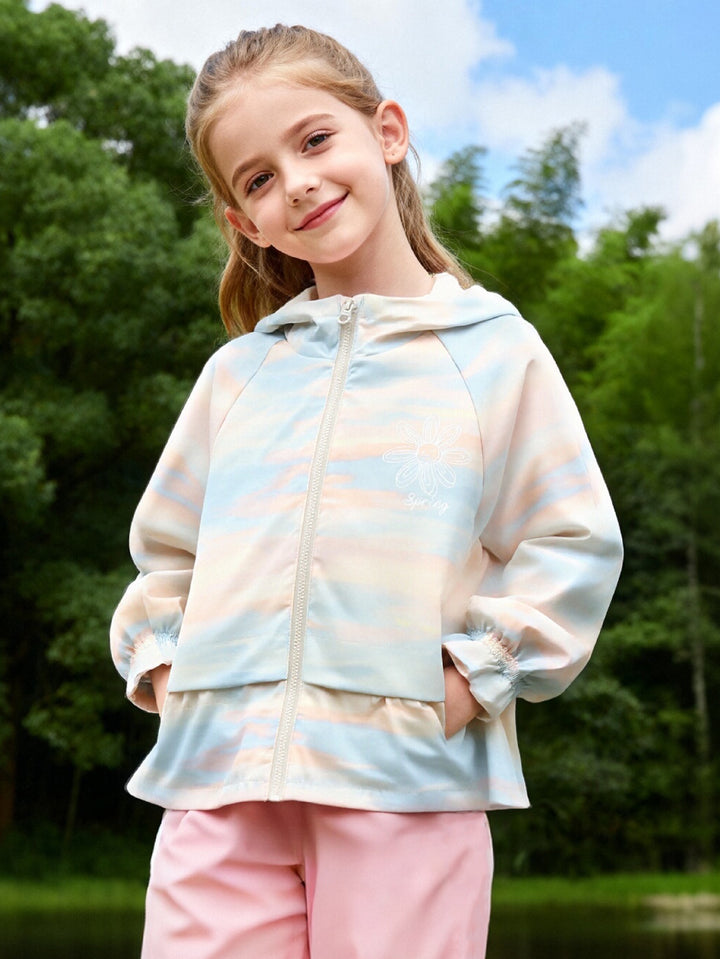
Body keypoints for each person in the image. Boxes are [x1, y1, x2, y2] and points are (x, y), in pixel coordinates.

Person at [110, 23, 623, 959]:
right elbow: (167, 554)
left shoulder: (495, 354)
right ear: (244, 222)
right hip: (218, 790)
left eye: (314, 140)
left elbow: (571, 541)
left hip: (405, 787)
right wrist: (171, 676)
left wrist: (468, 682)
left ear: (387, 131)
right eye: (258, 179)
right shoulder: (237, 377)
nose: (297, 182)